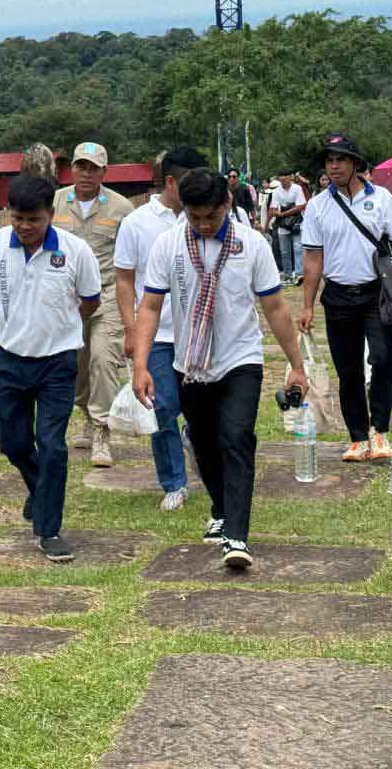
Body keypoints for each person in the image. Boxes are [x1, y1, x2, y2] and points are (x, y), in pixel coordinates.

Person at [132, 170, 308, 570]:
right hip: (189, 363)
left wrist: (296, 364)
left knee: (237, 437)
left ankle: (236, 536)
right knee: (205, 444)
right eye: (195, 217)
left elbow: (276, 307)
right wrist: (140, 364)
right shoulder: (169, 245)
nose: (203, 225)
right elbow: (151, 307)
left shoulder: (252, 245)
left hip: (240, 359)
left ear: (227, 206)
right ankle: (220, 506)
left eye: (211, 216)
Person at [0, 175, 101, 562]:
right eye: (18, 218)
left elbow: (90, 302)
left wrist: (59, 325)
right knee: (12, 441)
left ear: (51, 214)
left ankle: (49, 529)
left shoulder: (75, 251)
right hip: (10, 359)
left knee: (52, 446)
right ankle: (39, 489)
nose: (25, 227)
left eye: (34, 219)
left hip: (58, 363)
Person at [300, 134, 392, 462]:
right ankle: (358, 437)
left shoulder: (381, 199)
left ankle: (380, 431)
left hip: (376, 294)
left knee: (381, 358)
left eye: (340, 160)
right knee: (347, 367)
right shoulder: (318, 206)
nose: (333, 166)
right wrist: (307, 304)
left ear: (355, 164)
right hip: (337, 296)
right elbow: (313, 258)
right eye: (329, 161)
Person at [114, 146, 208, 512]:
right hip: (157, 335)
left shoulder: (206, 217)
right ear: (171, 181)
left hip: (199, 333)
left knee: (200, 410)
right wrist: (130, 328)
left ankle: (194, 440)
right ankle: (174, 482)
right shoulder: (138, 223)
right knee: (162, 406)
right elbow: (124, 280)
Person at [53, 142, 135, 468]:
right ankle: (86, 413)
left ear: (104, 171)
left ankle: (102, 429)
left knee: (102, 359)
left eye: (93, 168)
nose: (86, 173)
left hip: (108, 293)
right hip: (68, 298)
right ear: (71, 169)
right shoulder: (56, 202)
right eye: (81, 166)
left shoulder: (121, 208)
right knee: (77, 365)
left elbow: (131, 257)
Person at [270, 169, 307, 283]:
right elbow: (274, 208)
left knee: (298, 248)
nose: (282, 180)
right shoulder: (276, 191)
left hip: (296, 221)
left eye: (284, 177)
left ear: (290, 177)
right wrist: (277, 213)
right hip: (282, 223)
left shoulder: (297, 188)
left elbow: (301, 205)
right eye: (280, 177)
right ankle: (287, 274)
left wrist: (284, 213)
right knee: (284, 250)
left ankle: (299, 274)